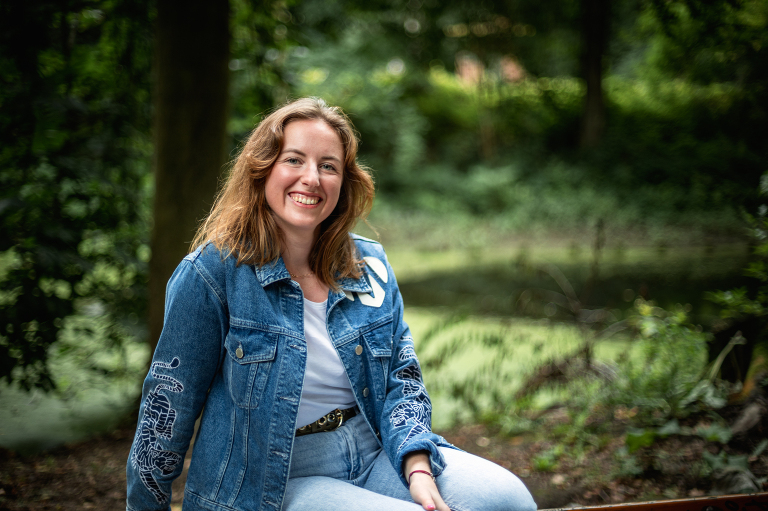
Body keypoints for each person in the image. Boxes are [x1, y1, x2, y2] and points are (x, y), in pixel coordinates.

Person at [126, 97, 537, 511]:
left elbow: (402, 377)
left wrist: (416, 463)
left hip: (373, 448)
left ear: (344, 181)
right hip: (274, 476)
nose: (312, 178)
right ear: (262, 168)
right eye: (294, 160)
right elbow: (165, 412)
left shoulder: (369, 265)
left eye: (328, 165)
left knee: (508, 500)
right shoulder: (213, 273)